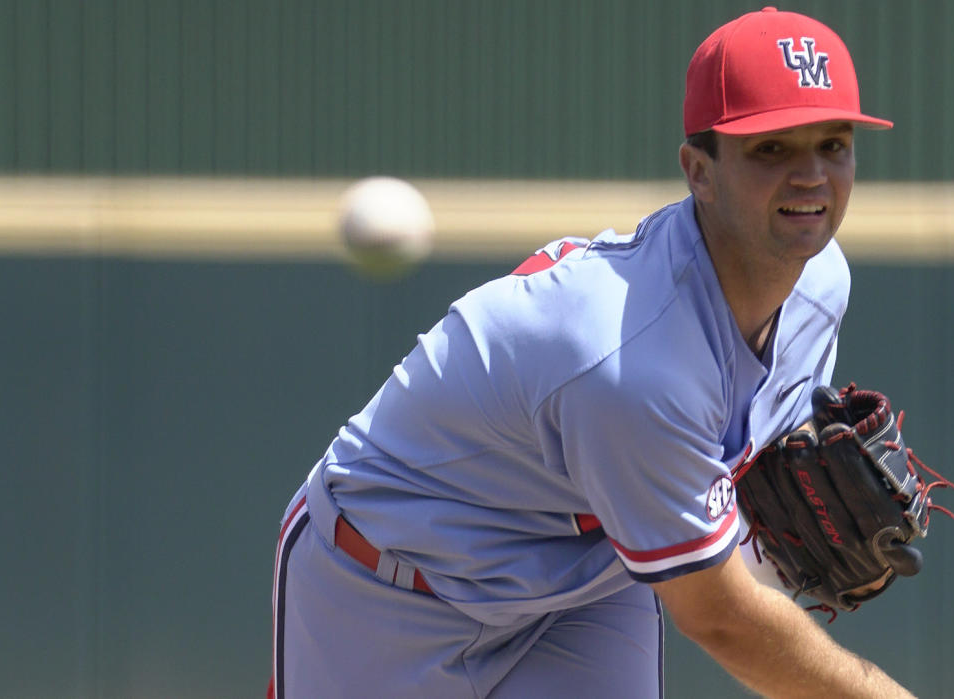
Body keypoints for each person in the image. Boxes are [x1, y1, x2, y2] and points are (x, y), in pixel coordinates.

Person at [272, 7, 913, 698]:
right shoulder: (632, 363)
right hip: (386, 584)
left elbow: (735, 499)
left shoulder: (820, 283)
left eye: (833, 144)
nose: (811, 176)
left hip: (582, 588)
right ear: (699, 171)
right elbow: (719, 615)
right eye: (771, 149)